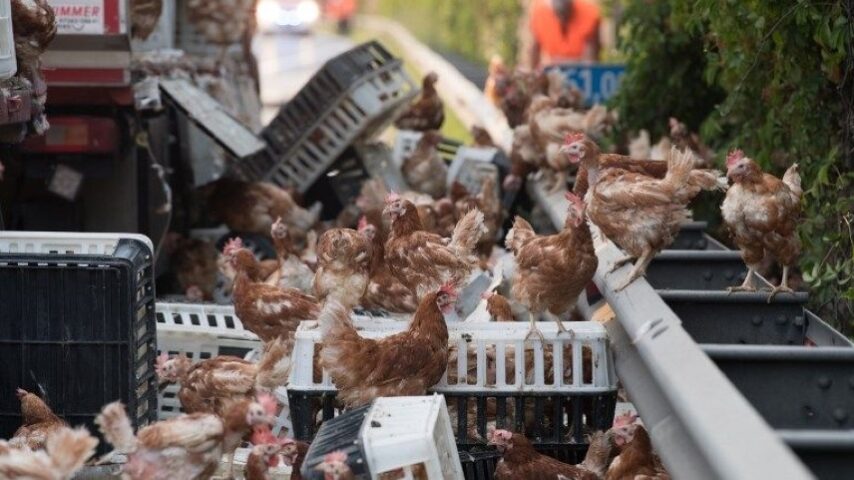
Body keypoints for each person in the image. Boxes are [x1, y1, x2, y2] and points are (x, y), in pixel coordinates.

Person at [529, 0, 601, 68]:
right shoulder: (540, 15)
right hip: (554, 69)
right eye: (559, 14)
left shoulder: (589, 14)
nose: (562, 19)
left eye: (565, 13)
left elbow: (590, 60)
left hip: (581, 67)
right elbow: (534, 50)